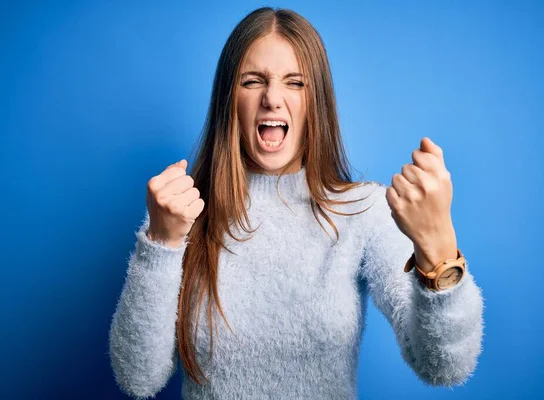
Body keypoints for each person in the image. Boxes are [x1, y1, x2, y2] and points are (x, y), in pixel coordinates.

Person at [108, 7, 484, 400]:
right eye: (252, 81)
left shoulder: (361, 212)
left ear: (316, 102)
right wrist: (160, 245)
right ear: (228, 100)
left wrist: (437, 245)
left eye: (295, 83)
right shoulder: (185, 213)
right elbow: (138, 378)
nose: (272, 98)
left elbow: (445, 367)